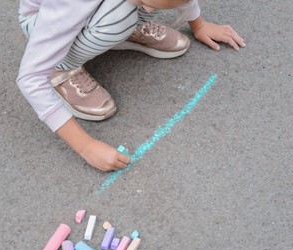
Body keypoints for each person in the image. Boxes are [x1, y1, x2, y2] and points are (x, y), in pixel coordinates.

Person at [16, 0, 245, 172]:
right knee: (123, 14)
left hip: (95, 9)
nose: (152, 11)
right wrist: (86, 146)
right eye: (147, 5)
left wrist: (199, 24)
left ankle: (122, 28)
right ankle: (62, 67)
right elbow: (30, 77)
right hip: (44, 22)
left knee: (126, 13)